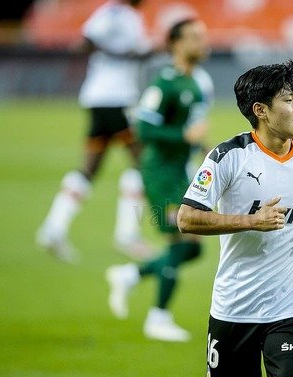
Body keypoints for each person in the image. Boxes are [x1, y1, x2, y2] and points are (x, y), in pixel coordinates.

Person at [177, 59, 293, 377]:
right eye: (288, 100)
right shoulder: (228, 157)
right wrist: (252, 221)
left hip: (292, 305)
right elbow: (186, 218)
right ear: (260, 110)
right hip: (236, 305)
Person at [105, 18, 213, 342]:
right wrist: (183, 136)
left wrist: (203, 149)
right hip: (159, 173)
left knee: (192, 248)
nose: (202, 42)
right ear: (176, 43)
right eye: (195, 37)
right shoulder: (164, 84)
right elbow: (144, 129)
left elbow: (191, 130)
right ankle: (158, 318)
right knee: (182, 240)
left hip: (179, 172)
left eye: (203, 36)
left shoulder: (196, 83)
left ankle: (130, 275)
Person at [36, 0, 153, 263]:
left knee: (90, 167)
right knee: (144, 162)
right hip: (116, 99)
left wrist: (140, 52)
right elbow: (85, 41)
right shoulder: (115, 13)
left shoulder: (125, 15)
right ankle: (128, 235)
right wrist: (122, 53)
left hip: (99, 98)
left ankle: (53, 228)